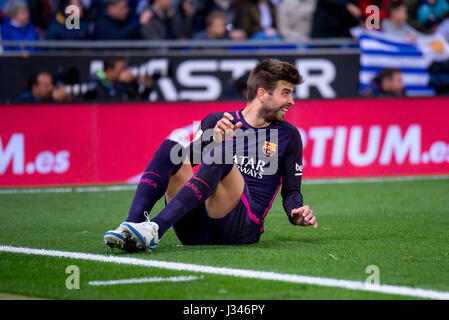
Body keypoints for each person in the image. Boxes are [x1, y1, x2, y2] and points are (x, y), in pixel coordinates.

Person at [104, 59, 318, 253]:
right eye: (285, 92)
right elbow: (189, 160)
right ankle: (131, 228)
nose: (291, 101)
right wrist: (214, 139)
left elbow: (291, 191)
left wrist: (294, 212)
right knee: (171, 148)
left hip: (242, 227)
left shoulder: (289, 135)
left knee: (222, 153)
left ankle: (156, 228)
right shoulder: (216, 120)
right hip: (195, 228)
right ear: (262, 94)